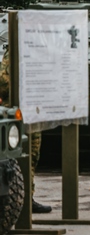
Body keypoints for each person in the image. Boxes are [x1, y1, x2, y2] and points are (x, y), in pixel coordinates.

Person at [0, 49, 51, 212]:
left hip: (32, 110)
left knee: (32, 156)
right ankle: (16, 199)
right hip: (17, 112)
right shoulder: (16, 50)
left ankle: (27, 198)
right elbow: (4, 82)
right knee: (17, 158)